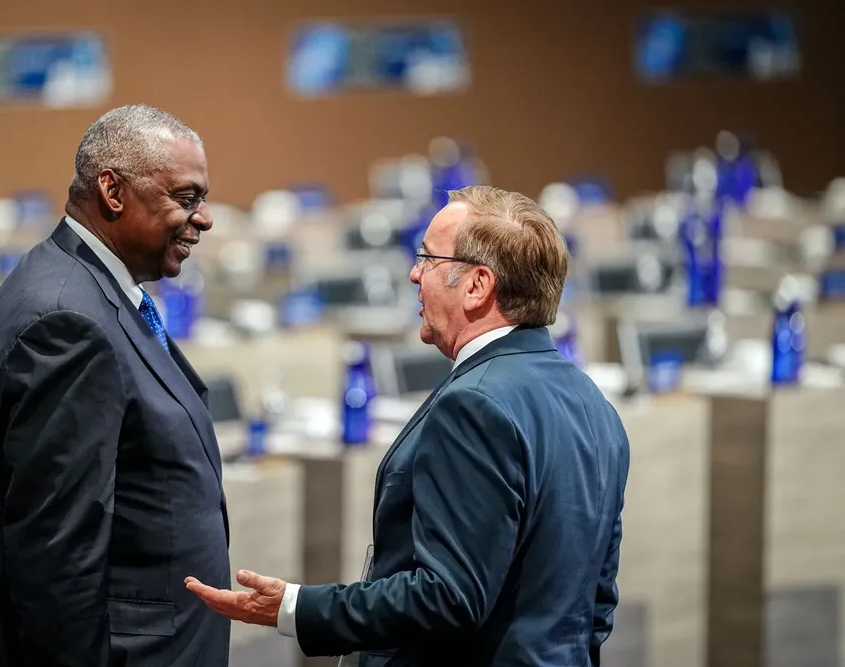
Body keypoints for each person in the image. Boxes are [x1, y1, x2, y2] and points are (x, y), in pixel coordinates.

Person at [186, 185, 631, 667]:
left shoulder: (474, 406)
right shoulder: (594, 404)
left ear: (478, 286)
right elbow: (597, 602)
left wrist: (295, 607)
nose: (414, 273)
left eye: (428, 258)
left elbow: (448, 598)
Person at [0, 105, 231, 667]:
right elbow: (57, 557)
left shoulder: (74, 285)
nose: (205, 218)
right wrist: (12, 547)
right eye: (186, 198)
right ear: (113, 191)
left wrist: (3, 534)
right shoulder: (69, 318)